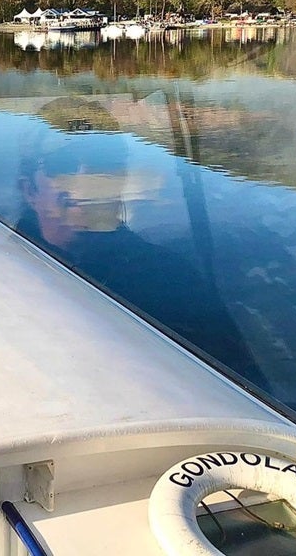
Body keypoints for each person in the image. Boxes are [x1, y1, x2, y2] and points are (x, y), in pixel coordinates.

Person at [16, 97, 266, 388]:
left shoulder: (171, 280)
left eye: (104, 163)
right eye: (64, 164)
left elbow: (244, 390)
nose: (88, 178)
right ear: (29, 189)